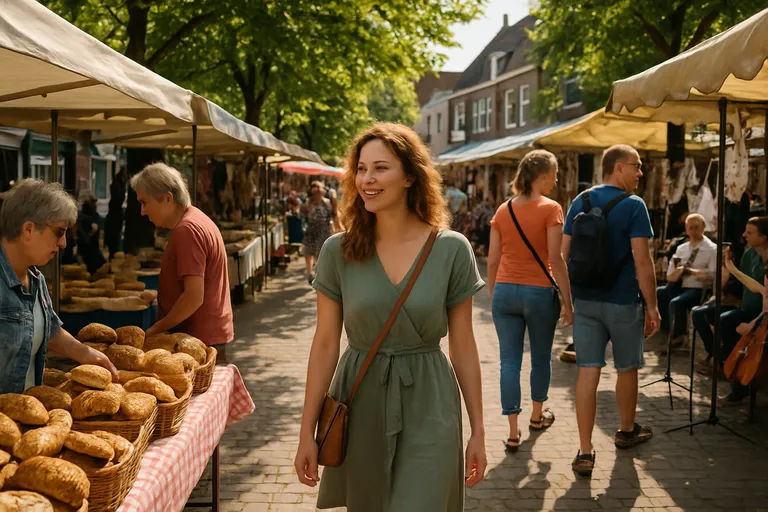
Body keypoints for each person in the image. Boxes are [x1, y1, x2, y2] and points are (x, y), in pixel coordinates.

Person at [294, 123, 487, 510]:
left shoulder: (451, 249)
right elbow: (326, 343)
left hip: (430, 401)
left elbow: (463, 345)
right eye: (361, 169)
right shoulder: (338, 251)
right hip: (360, 397)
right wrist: (306, 432)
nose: (367, 178)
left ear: (410, 177)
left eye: (381, 168)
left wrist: (478, 430)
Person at [562, 144, 659, 476]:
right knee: (627, 368)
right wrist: (653, 306)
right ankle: (626, 431)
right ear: (618, 167)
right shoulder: (634, 206)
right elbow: (643, 262)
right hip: (622, 302)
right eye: (637, 166)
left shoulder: (581, 200)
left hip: (586, 302)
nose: (640, 172)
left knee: (588, 371)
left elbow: (563, 256)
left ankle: (585, 451)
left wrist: (566, 301)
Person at [487, 150, 573, 452]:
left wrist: (493, 293)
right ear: (544, 176)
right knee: (539, 357)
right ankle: (537, 416)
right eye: (556, 174)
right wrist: (568, 302)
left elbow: (493, 259)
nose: (557, 179)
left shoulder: (503, 209)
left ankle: (512, 431)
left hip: (505, 292)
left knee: (509, 362)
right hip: (538, 292)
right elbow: (556, 259)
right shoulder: (551, 208)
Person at [0, 179, 118, 394]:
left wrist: (87, 354)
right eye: (59, 231)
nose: (63, 243)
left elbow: (48, 331)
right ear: (28, 229)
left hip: (23, 417)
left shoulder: (36, 278)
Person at [130, 163, 233, 363]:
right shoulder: (194, 220)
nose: (143, 211)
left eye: (145, 203)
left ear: (167, 199)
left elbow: (193, 297)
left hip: (198, 340)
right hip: (201, 337)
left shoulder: (188, 230)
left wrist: (156, 329)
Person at [691, 217, 768, 402]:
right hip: (744, 303)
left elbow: (761, 289)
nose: (744, 235)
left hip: (760, 310)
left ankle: (731, 371)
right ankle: (719, 358)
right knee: (700, 313)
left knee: (727, 321)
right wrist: (724, 284)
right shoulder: (749, 254)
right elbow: (741, 284)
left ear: (764, 237)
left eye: (750, 233)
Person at [655, 213, 716, 344]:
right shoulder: (681, 248)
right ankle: (665, 328)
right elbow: (670, 275)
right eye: (690, 228)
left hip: (697, 287)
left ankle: (679, 335)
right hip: (679, 284)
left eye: (696, 227)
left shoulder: (712, 249)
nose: (693, 231)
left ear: (703, 227)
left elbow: (712, 274)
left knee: (677, 302)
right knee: (659, 293)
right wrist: (678, 271)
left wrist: (691, 271)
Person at [301, 181, 336, 285]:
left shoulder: (326, 202)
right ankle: (309, 273)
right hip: (310, 232)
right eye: (316, 191)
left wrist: (332, 228)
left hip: (323, 231)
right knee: (308, 253)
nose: (319, 193)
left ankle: (317, 275)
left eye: (320, 191)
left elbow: (331, 216)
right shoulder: (307, 204)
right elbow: (302, 218)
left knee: (319, 254)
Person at [76, 193, 107, 275]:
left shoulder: (95, 217)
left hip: (93, 249)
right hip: (86, 251)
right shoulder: (82, 218)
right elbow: (84, 238)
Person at [104, 170, 126, 259]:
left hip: (114, 217)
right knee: (115, 237)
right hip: (115, 217)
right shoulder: (119, 187)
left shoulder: (115, 186)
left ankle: (112, 252)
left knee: (114, 237)